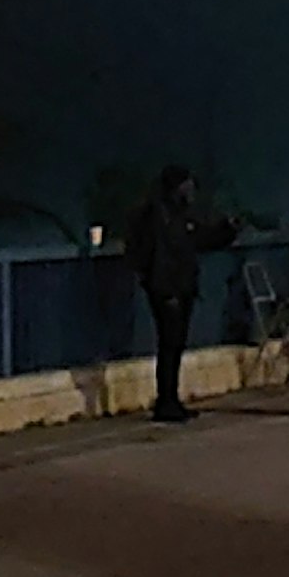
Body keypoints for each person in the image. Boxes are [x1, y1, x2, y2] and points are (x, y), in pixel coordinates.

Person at [124, 161, 210, 423]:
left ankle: (171, 399)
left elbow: (200, 241)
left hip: (181, 288)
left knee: (175, 345)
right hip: (167, 290)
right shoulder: (157, 216)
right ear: (176, 187)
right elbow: (156, 256)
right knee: (169, 344)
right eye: (187, 185)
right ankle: (166, 402)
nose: (191, 189)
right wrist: (164, 290)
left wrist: (227, 229)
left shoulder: (180, 215)